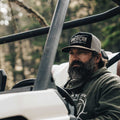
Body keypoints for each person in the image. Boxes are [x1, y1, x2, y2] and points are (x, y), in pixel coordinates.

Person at [60, 32, 120, 120]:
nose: (74, 58)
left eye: (81, 53)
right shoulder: (65, 88)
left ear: (97, 58)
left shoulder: (110, 83)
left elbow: (114, 117)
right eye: (71, 53)